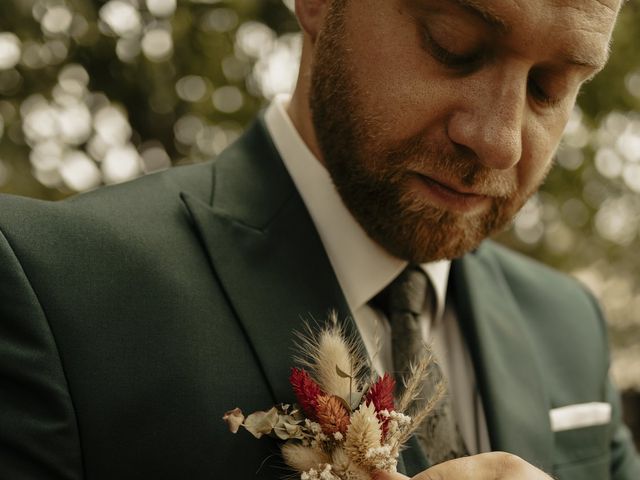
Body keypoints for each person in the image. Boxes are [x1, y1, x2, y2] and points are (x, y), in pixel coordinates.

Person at [0, 0, 638, 478]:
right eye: (453, 45)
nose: (500, 141)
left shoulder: (569, 324)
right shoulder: (50, 289)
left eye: (549, 87)